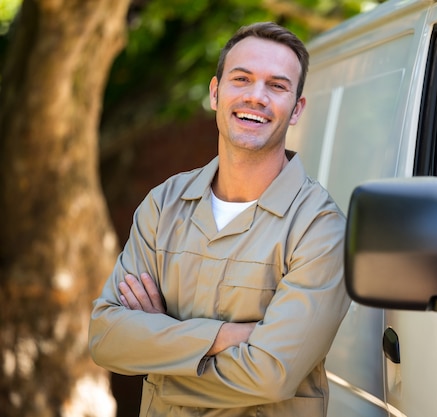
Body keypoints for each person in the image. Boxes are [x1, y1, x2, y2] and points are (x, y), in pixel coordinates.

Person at [88, 22, 350, 417]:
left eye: (277, 86)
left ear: (296, 109)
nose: (256, 96)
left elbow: (270, 374)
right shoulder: (164, 205)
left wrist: (158, 350)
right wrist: (229, 337)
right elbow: (106, 338)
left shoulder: (320, 227)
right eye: (241, 79)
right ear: (215, 92)